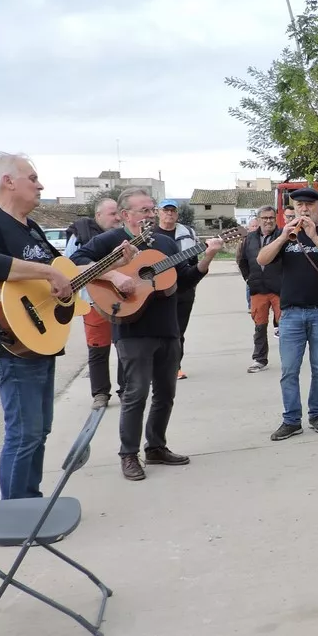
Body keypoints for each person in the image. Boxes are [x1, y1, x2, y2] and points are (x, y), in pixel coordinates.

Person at [0, 152, 128, 499]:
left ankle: (28, 500)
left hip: (38, 338)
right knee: (24, 432)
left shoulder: (30, 227)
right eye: (33, 178)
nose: (40, 185)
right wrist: (47, 272)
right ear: (9, 181)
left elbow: (63, 270)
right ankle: (18, 512)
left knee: (39, 430)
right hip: (9, 339)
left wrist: (111, 267)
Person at [72, 188, 221, 481]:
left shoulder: (165, 243)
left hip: (167, 327)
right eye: (144, 211)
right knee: (135, 393)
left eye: (152, 210)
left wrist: (208, 257)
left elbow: (186, 279)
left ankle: (155, 447)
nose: (151, 215)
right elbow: (76, 263)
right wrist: (113, 273)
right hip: (132, 328)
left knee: (166, 393)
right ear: (126, 215)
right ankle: (128, 454)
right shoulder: (110, 240)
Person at [257, 188, 318, 441]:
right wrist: (283, 237)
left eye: (309, 205)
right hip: (292, 313)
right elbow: (262, 259)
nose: (304, 210)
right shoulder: (285, 233)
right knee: (289, 369)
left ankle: (317, 415)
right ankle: (291, 420)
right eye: (299, 205)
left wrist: (314, 236)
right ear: (293, 208)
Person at [64, 197, 122, 406]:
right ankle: (100, 393)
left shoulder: (123, 236)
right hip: (93, 302)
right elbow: (71, 269)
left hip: (124, 300)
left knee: (125, 346)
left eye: (118, 213)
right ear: (98, 216)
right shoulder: (81, 236)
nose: (117, 218)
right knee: (98, 349)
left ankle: (125, 389)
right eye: (112, 214)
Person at [236, 206, 282, 373]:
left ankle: (288, 358)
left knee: (285, 326)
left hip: (279, 289)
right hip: (258, 289)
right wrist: (249, 279)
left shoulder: (283, 235)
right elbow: (242, 261)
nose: (268, 221)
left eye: (271, 217)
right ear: (259, 219)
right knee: (259, 326)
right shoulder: (249, 239)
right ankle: (259, 359)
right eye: (265, 218)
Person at [157, 198, 199, 379]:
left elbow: (195, 260)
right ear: (158, 212)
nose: (169, 214)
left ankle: (175, 367)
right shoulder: (149, 234)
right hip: (155, 290)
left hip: (183, 289)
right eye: (166, 210)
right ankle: (156, 366)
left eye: (173, 211)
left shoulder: (187, 233)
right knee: (157, 330)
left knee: (178, 331)